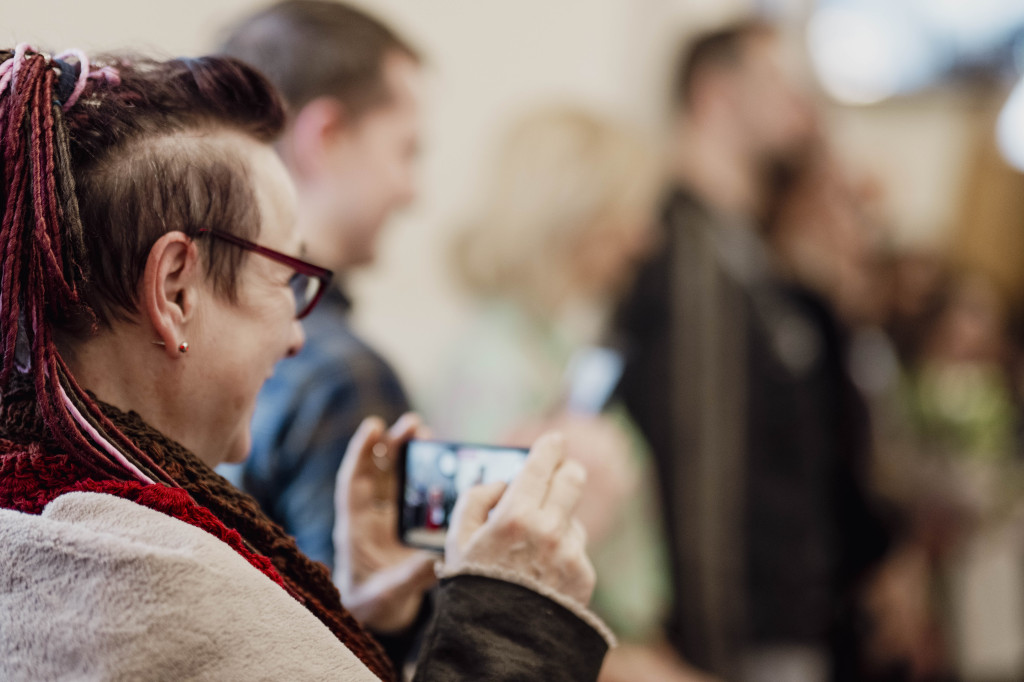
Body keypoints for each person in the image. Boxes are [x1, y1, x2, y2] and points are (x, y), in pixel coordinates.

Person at [0, 47, 612, 680]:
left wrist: (355, 617)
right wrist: (511, 620)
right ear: (176, 292)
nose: (297, 336)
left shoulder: (51, 523)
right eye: (286, 280)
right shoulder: (151, 583)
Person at [615, 20, 889, 681]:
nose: (796, 100)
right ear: (715, 94)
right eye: (773, 81)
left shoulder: (749, 251)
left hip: (791, 619)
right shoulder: (681, 254)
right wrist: (706, 645)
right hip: (733, 639)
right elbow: (698, 461)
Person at [430, 106, 713, 681]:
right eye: (631, 209)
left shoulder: (550, 345)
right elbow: (500, 582)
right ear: (578, 209)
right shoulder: (499, 368)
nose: (645, 237)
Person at [216, 0, 420, 586]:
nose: (412, 191)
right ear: (325, 136)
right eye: (406, 150)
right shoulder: (342, 378)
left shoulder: (191, 336)